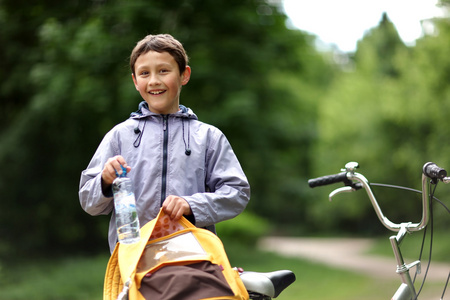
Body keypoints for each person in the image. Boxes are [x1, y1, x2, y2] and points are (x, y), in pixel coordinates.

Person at [79, 34, 250, 253]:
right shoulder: (119, 136)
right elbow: (89, 201)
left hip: (192, 261)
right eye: (144, 73)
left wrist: (191, 205)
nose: (154, 81)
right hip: (132, 261)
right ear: (135, 81)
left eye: (163, 71)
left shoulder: (208, 137)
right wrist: (104, 180)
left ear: (184, 75)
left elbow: (237, 193)